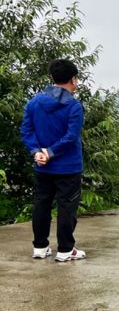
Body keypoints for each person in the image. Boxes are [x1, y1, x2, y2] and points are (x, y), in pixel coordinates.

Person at [20, 59, 86, 262]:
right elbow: (71, 136)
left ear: (53, 78)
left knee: (42, 204)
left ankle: (40, 247)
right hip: (68, 167)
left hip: (42, 166)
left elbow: (26, 130)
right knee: (67, 207)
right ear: (73, 79)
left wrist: (36, 152)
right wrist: (50, 152)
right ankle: (65, 250)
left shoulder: (34, 102)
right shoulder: (74, 106)